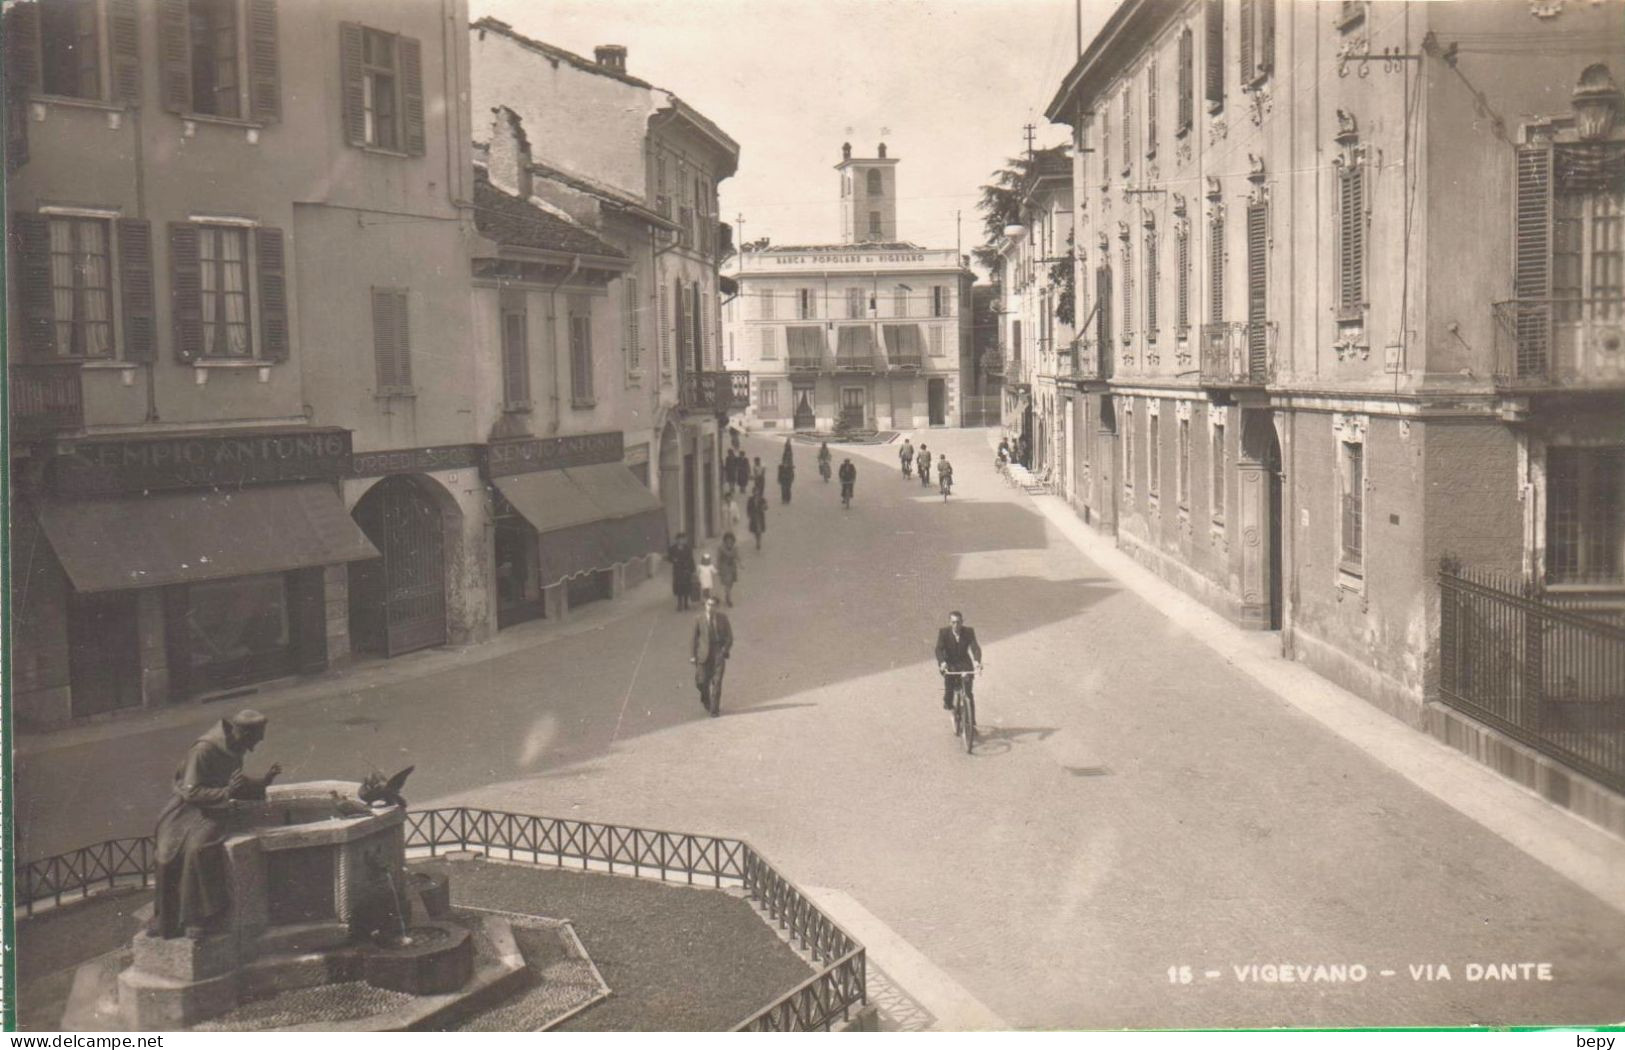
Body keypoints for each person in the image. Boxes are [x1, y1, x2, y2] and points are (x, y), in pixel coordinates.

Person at [149, 710, 282, 939]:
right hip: (187, 810)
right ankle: (168, 919)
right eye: (258, 735)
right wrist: (227, 792)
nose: (260, 741)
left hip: (213, 808)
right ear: (243, 732)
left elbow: (234, 781)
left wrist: (263, 781)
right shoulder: (204, 750)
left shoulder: (235, 747)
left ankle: (198, 918)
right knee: (168, 853)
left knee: (199, 849)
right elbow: (192, 791)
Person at [690, 593, 733, 716]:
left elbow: (729, 637)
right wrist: (693, 655)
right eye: (708, 604)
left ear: (717, 607)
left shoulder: (723, 618)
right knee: (701, 682)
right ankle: (705, 699)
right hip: (703, 655)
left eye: (713, 605)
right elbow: (694, 638)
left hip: (718, 653)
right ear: (705, 605)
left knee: (717, 682)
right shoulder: (699, 619)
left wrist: (724, 650)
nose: (710, 607)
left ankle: (714, 709)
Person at [934, 611, 983, 712]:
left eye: (958, 622)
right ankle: (948, 703)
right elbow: (938, 649)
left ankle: (972, 724)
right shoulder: (944, 632)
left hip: (965, 663)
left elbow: (975, 648)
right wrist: (942, 662)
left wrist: (977, 661)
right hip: (949, 663)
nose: (956, 625)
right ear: (949, 622)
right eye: (953, 622)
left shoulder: (969, 631)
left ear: (962, 622)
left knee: (968, 694)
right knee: (949, 689)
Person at [667, 532, 697, 611]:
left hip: (686, 569)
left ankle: (686, 604)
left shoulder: (688, 548)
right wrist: (673, 559)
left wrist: (693, 569)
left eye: (683, 539)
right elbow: (669, 557)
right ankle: (679, 604)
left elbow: (691, 558)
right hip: (678, 570)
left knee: (687, 586)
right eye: (680, 539)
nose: (682, 541)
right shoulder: (672, 548)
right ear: (677, 540)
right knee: (679, 587)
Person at [716, 531, 741, 606]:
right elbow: (718, 558)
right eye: (727, 540)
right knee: (727, 582)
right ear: (725, 540)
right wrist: (717, 567)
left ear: (733, 541)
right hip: (724, 567)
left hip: (732, 567)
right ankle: (729, 599)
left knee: (730, 583)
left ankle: (727, 595)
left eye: (731, 540)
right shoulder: (721, 548)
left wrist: (740, 563)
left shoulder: (735, 548)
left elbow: (737, 556)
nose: (729, 542)